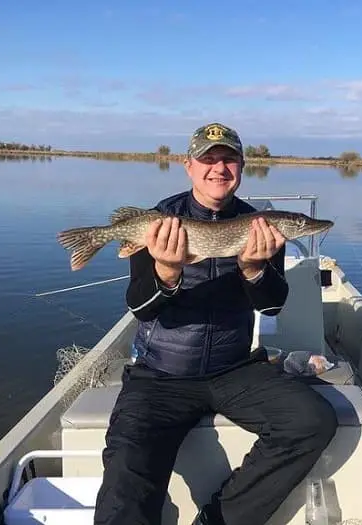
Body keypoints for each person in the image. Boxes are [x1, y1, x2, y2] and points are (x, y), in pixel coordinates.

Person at [93, 122, 338, 525]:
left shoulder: (259, 226)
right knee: (126, 471)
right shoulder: (160, 220)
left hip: (233, 370)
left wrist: (254, 268)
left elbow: (273, 307)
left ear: (242, 167)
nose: (218, 168)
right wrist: (167, 271)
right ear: (188, 166)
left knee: (312, 422)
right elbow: (141, 307)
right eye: (208, 159)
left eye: (228, 159)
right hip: (160, 375)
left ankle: (217, 520)